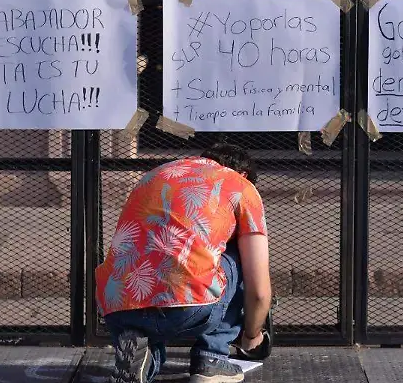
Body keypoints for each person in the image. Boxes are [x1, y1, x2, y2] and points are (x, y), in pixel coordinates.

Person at [96, 143, 272, 383]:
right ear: (244, 175)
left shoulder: (155, 174)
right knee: (239, 254)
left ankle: (144, 354)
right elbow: (259, 291)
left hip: (117, 306)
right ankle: (212, 358)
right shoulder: (241, 186)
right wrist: (252, 336)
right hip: (185, 305)